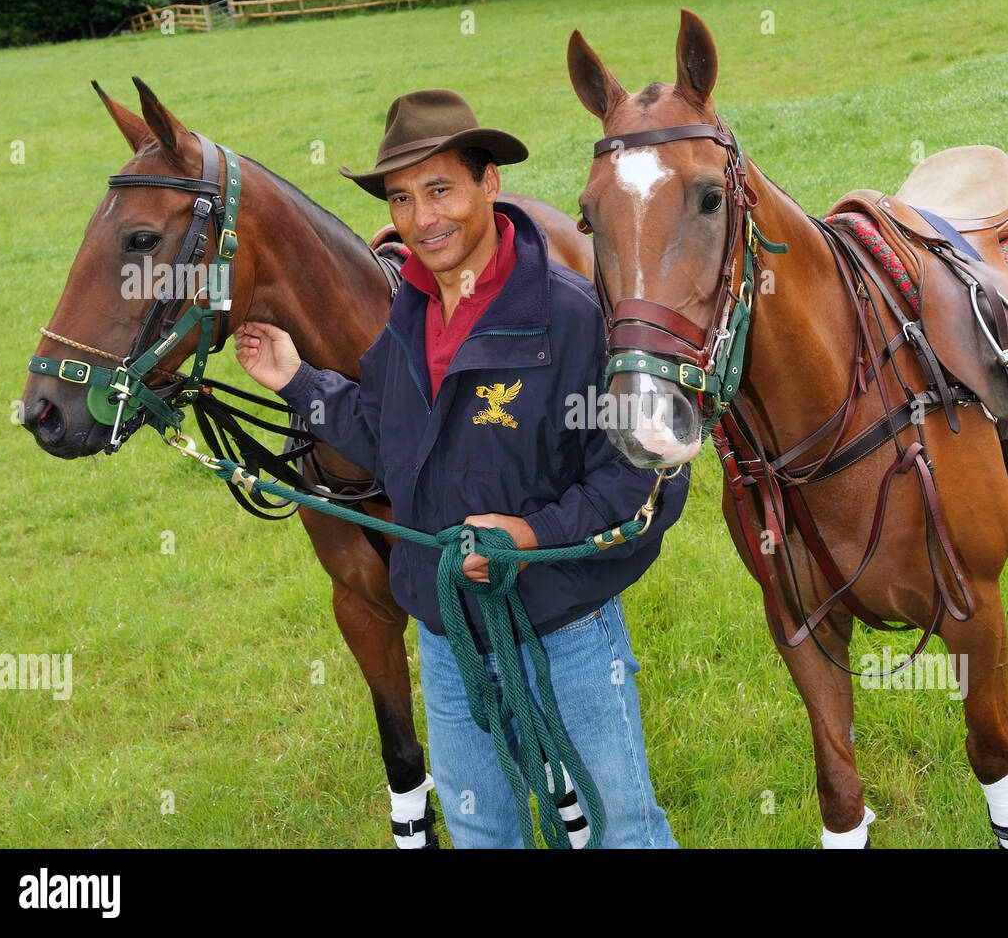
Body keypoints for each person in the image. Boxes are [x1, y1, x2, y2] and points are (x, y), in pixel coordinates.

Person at [234, 89, 686, 849]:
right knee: (480, 830)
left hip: (565, 635)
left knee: (622, 832)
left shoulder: (573, 316)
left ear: (490, 185)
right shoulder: (406, 313)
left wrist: (531, 535)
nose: (423, 219)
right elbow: (386, 439)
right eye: (403, 199)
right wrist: (297, 381)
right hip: (446, 642)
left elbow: (634, 479)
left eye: (441, 189)